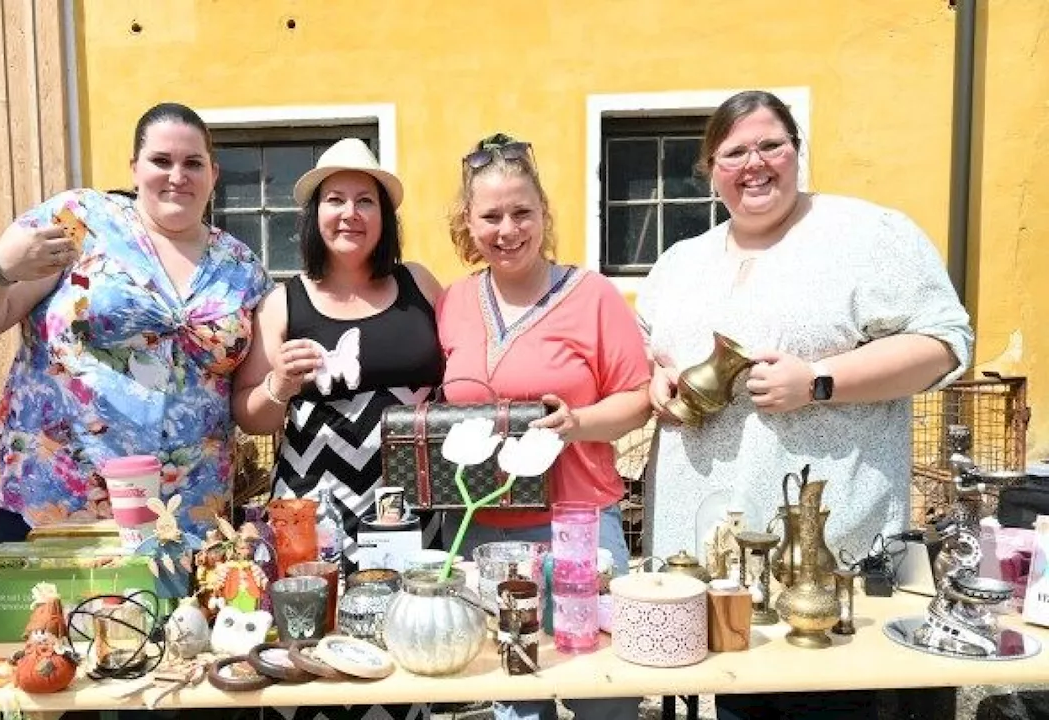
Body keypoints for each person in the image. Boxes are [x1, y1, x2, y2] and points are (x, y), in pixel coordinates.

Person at [637, 90, 973, 719]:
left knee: (824, 703)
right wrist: (656, 380)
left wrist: (820, 380)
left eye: (772, 145)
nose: (754, 164)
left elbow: (944, 343)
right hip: (709, 554)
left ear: (798, 150)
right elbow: (648, 352)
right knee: (736, 704)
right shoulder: (681, 261)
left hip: (825, 554)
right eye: (734, 152)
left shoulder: (866, 233)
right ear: (710, 170)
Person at [0, 102, 271, 545]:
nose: (178, 175)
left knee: (176, 618)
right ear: (135, 167)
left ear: (213, 174)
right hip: (58, 498)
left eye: (193, 163)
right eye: (162, 161)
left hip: (187, 512)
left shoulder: (240, 267)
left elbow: (250, 392)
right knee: (50, 616)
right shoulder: (80, 221)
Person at [436, 133, 652, 720]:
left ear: (544, 214)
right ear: (469, 222)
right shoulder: (453, 302)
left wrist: (577, 423)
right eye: (491, 216)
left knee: (603, 696)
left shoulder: (594, 296)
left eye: (521, 212)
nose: (508, 230)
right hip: (487, 534)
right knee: (515, 702)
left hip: (580, 527)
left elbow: (638, 398)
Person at [233, 137, 441, 720]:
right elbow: (250, 414)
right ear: (314, 214)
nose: (349, 213)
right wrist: (279, 384)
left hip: (409, 505)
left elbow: (464, 372)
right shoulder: (283, 302)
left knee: (404, 662)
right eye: (335, 199)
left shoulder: (419, 286)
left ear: (385, 216)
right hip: (310, 513)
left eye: (365, 200)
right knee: (310, 665)